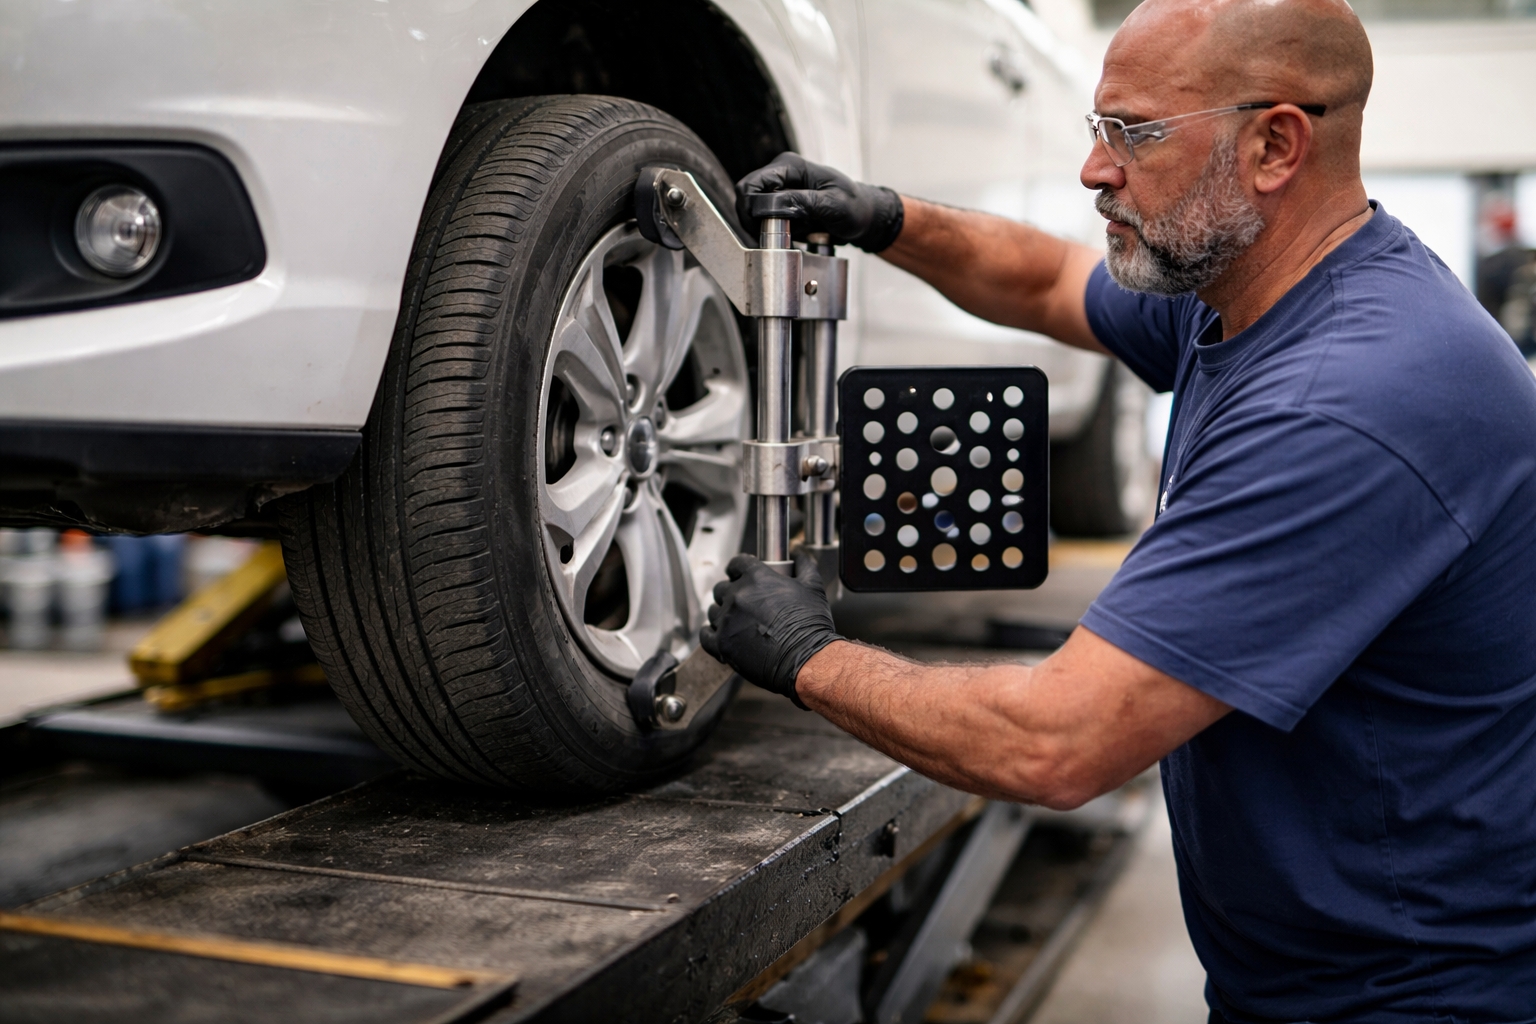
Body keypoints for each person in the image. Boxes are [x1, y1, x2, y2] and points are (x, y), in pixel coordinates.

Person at [700, 0, 1536, 1020]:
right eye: (1100, 130)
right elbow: (1052, 279)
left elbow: (1055, 743)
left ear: (1275, 145)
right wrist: (886, 216)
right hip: (1321, 972)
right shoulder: (1249, 284)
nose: (1097, 170)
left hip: (1418, 996)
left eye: (1133, 135)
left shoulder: (1348, 402)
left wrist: (803, 654)